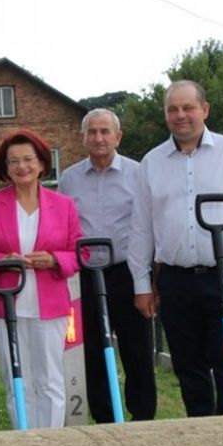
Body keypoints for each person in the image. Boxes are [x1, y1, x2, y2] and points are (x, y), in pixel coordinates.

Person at [128, 80, 223, 417]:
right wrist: (141, 284)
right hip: (175, 282)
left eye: (188, 107)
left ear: (204, 110)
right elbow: (141, 226)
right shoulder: (152, 162)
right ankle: (201, 438)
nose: (180, 116)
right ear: (165, 115)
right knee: (189, 369)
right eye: (172, 109)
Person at [0, 129, 83, 428]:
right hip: (4, 305)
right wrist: (2, 261)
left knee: (50, 380)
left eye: (28, 159)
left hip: (50, 305)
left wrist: (55, 260)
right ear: (5, 168)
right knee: (17, 378)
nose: (22, 167)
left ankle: (49, 444)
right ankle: (23, 442)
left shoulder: (64, 205)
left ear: (42, 163)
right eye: (13, 161)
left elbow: (78, 253)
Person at [59, 108, 157, 423]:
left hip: (128, 273)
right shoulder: (70, 178)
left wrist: (149, 278)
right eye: (92, 132)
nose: (99, 138)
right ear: (83, 137)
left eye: (105, 131)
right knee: (94, 353)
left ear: (118, 136)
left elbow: (150, 225)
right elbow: (63, 226)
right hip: (86, 277)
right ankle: (105, 420)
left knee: (137, 351)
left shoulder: (138, 173)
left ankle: (142, 418)